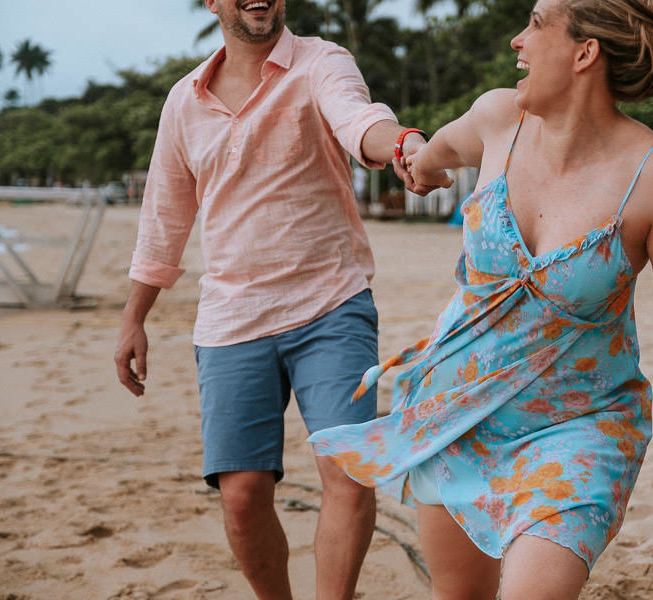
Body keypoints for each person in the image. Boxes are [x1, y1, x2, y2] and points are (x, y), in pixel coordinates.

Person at [307, 0, 653, 597]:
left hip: (578, 428)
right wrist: (419, 161)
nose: (518, 40)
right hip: (457, 414)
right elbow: (431, 156)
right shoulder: (497, 119)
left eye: (537, 23)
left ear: (584, 53)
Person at [112, 1, 438, 599]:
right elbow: (165, 216)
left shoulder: (321, 63)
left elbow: (358, 121)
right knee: (240, 497)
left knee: (347, 475)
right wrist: (135, 317)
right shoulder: (184, 101)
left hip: (331, 305)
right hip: (231, 318)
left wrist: (405, 146)